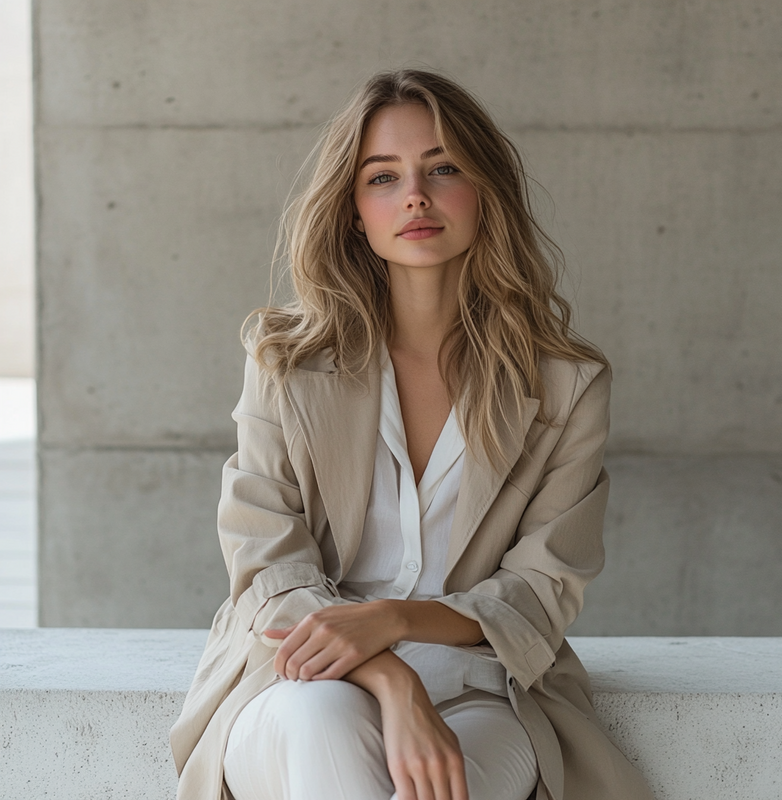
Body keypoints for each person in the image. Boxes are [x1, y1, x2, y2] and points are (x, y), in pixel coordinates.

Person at [170, 69, 655, 800]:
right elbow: (265, 562)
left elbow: (541, 589)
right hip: (296, 677)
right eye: (383, 177)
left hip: (487, 693)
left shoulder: (565, 385)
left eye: (443, 168)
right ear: (354, 212)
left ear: (486, 191)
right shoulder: (286, 364)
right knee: (323, 722)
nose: (415, 197)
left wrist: (394, 619)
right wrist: (386, 670)